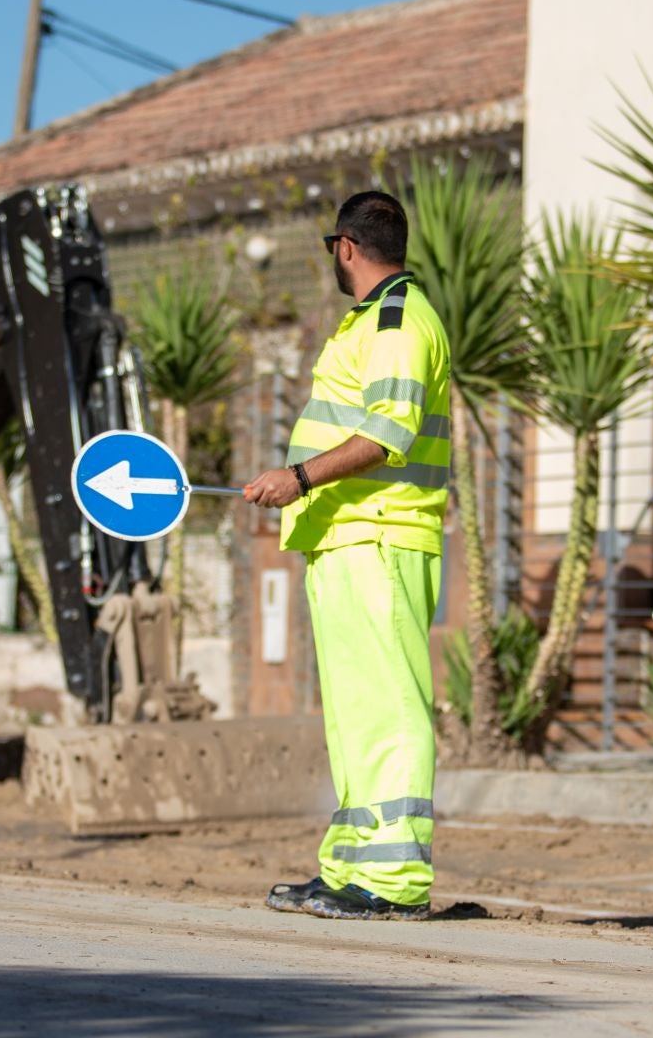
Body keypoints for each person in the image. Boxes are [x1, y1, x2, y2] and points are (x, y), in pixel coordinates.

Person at [242, 189, 451, 921]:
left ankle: (394, 881)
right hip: (349, 537)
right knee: (358, 715)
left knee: (390, 708)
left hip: (381, 535)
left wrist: (297, 478)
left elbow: (389, 432)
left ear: (346, 248)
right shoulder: (371, 320)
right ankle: (352, 868)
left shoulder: (398, 321)